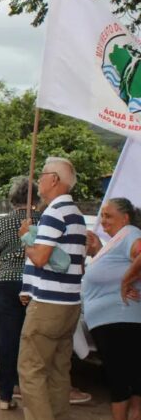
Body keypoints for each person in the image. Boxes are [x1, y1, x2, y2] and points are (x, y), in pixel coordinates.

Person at [18, 157, 87, 420]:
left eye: (43, 175)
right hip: (69, 304)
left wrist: (26, 235)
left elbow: (40, 258)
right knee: (59, 371)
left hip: (48, 305)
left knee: (31, 370)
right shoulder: (76, 215)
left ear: (54, 180)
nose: (39, 182)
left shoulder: (54, 213)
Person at [0, 176, 41, 410]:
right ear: (36, 197)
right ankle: (34, 394)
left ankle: (5, 395)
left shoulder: (1, 224)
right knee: (34, 339)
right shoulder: (43, 220)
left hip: (6, 285)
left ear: (12, 199)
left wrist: (3, 270)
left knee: (8, 338)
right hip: (36, 284)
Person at [82, 198, 141, 420]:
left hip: (119, 318)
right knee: (130, 378)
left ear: (125, 218)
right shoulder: (119, 238)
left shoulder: (130, 232)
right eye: (102, 215)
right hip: (115, 319)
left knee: (119, 378)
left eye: (108, 215)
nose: (103, 220)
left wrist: (126, 282)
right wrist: (98, 249)